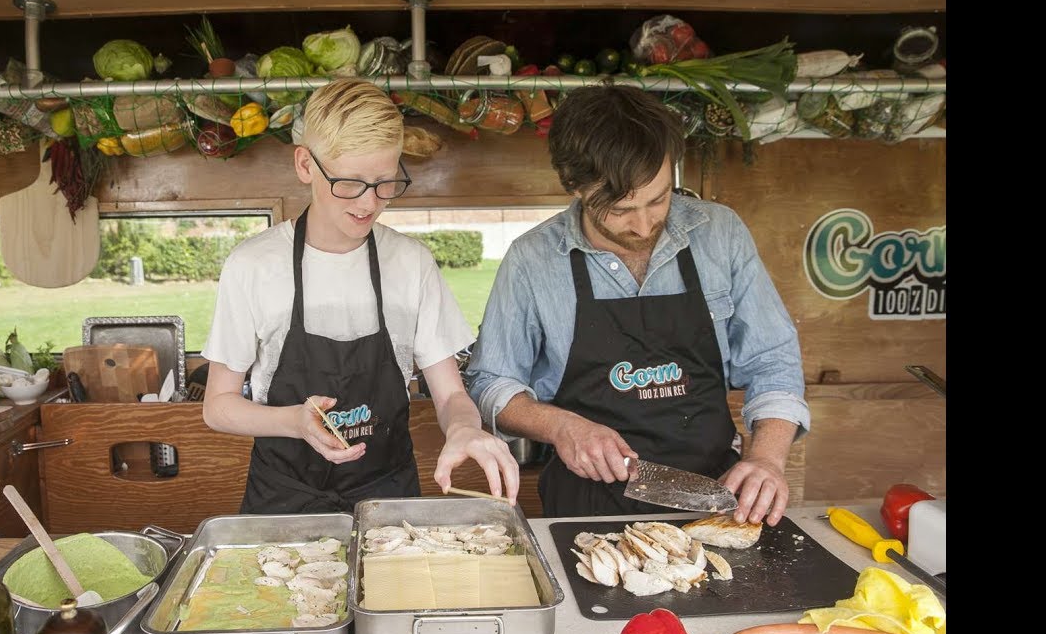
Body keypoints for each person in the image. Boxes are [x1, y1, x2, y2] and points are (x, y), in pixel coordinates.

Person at [464, 85, 808, 525]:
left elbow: (773, 359)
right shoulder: (533, 260)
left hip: (717, 500)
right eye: (621, 208)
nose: (645, 224)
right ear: (574, 185)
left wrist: (766, 459)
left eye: (659, 199)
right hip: (586, 508)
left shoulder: (719, 235)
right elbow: (491, 381)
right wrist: (561, 427)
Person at [202, 78, 520, 514]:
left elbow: (449, 396)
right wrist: (294, 422)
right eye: (350, 183)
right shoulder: (255, 265)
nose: (369, 203)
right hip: (283, 501)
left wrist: (464, 428)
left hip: (389, 497)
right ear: (305, 166)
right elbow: (218, 407)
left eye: (385, 183)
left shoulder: (411, 264)